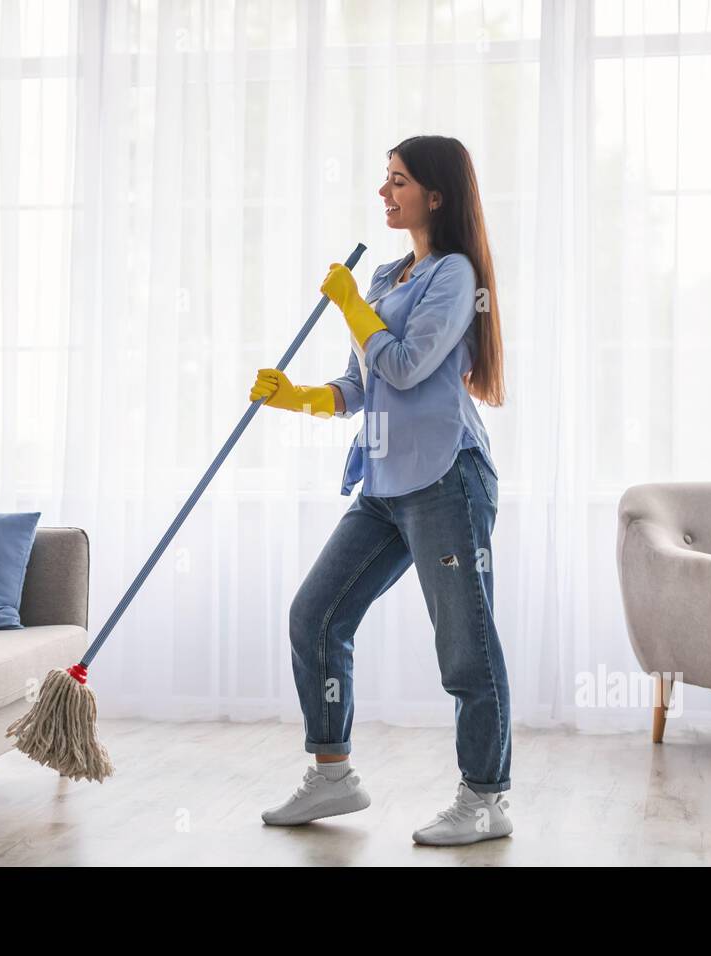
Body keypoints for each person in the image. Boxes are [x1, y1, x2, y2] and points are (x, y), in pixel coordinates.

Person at [249, 135, 510, 846]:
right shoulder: (389, 277)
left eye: (398, 181)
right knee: (317, 614)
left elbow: (404, 364)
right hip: (385, 483)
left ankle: (486, 798)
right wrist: (295, 397)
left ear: (436, 194)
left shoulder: (454, 276)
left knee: (465, 645)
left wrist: (346, 307)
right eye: (383, 180)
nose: (384, 193)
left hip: (445, 479)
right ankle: (333, 774)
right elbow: (360, 386)